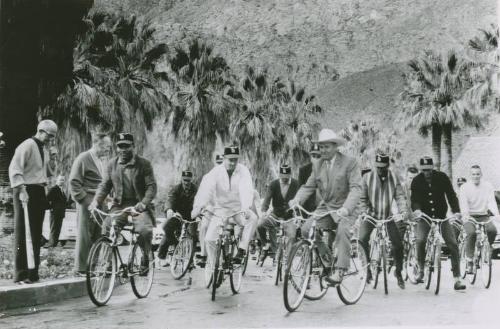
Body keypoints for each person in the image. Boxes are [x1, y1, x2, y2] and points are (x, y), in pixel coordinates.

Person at [290, 128, 362, 284]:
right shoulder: (318, 164)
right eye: (321, 147)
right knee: (306, 229)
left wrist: (346, 208)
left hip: (347, 207)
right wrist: (296, 200)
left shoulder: (350, 162)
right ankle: (328, 260)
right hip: (327, 206)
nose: (323, 150)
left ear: (336, 147)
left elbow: (356, 188)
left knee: (343, 230)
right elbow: (308, 187)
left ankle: (341, 270)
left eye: (327, 147)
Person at [89, 133, 157, 273]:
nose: (123, 149)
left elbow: (151, 187)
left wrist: (144, 203)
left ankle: (145, 256)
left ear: (133, 146)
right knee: (107, 227)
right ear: (117, 148)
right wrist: (96, 201)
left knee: (144, 230)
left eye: (127, 146)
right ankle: (107, 264)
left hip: (139, 205)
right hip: (120, 205)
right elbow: (104, 186)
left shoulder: (144, 164)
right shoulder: (112, 164)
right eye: (120, 146)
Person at [191, 145, 258, 266]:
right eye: (230, 159)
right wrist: (199, 206)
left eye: (235, 160)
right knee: (209, 239)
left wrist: (246, 207)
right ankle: (213, 264)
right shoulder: (216, 172)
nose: (233, 163)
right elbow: (207, 189)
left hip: (238, 209)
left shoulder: (243, 171)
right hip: (221, 209)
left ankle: (242, 249)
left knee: (253, 218)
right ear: (224, 158)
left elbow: (246, 189)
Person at [8, 119, 58, 284]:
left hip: (38, 191)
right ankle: (21, 274)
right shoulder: (27, 145)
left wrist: (52, 159)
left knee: (36, 234)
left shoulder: (43, 149)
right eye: (49, 135)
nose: (50, 139)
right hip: (24, 190)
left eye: (53, 137)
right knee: (24, 232)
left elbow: (48, 173)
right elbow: (15, 169)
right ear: (41, 131)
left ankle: (32, 273)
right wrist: (21, 190)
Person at [411, 156, 466, 290]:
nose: (427, 173)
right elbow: (415, 199)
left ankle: (457, 278)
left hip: (442, 217)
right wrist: (417, 210)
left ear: (433, 168)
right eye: (424, 170)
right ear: (421, 170)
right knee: (420, 240)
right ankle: (421, 270)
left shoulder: (442, 177)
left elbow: (451, 195)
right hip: (425, 217)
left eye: (429, 170)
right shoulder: (416, 181)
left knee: (453, 243)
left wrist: (457, 211)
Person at [359, 153, 407, 289]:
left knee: (398, 244)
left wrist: (402, 211)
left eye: (383, 167)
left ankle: (398, 272)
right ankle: (367, 269)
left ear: (388, 166)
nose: (380, 170)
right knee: (362, 239)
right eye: (378, 167)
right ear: (375, 165)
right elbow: (362, 199)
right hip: (371, 215)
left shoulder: (394, 177)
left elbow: (400, 196)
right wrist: (364, 212)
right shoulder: (367, 178)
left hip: (387, 216)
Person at [69, 132, 111, 275]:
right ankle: (81, 268)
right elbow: (74, 183)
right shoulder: (83, 158)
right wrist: (86, 201)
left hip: (100, 202)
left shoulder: (101, 160)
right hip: (87, 202)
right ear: (97, 144)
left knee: (98, 234)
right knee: (85, 234)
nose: (108, 150)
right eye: (106, 147)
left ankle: (91, 267)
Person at [459, 165, 499, 274]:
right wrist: (466, 215)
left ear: (481, 175)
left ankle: (488, 249)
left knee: (492, 230)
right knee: (471, 233)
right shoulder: (464, 187)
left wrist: (496, 215)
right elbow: (463, 203)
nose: (476, 176)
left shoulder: (487, 186)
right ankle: (470, 261)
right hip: (470, 215)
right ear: (470, 175)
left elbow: (491, 202)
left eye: (477, 174)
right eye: (473, 174)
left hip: (483, 215)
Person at [258, 164, 299, 259]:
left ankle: (288, 258)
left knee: (292, 236)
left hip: (289, 217)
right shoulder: (273, 184)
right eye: (282, 177)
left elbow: (301, 199)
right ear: (279, 174)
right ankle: (266, 245)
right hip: (275, 216)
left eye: (287, 177)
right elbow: (267, 198)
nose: (284, 179)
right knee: (260, 224)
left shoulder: (296, 184)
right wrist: (264, 211)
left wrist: (298, 215)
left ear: (290, 175)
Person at [158, 170, 198, 263]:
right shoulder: (176, 188)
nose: (186, 183)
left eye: (188, 180)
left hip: (191, 215)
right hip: (178, 214)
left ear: (191, 179)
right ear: (181, 179)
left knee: (193, 236)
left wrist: (200, 211)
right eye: (184, 180)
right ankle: (169, 249)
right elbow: (170, 199)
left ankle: (190, 261)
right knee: (167, 227)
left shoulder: (196, 189)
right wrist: (169, 209)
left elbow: (201, 200)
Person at [298, 143, 321, 213]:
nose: (316, 159)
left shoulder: (327, 169)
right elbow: (301, 189)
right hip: (306, 208)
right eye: (314, 156)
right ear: (311, 157)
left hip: (323, 207)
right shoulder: (303, 170)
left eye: (318, 156)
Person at [46, 175, 68, 247]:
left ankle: (54, 244)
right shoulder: (54, 189)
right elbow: (47, 199)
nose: (62, 181)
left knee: (58, 230)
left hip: (60, 213)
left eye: (63, 180)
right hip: (54, 213)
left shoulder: (62, 191)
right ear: (57, 180)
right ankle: (51, 245)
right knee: (54, 229)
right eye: (60, 180)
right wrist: (51, 208)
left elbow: (64, 203)